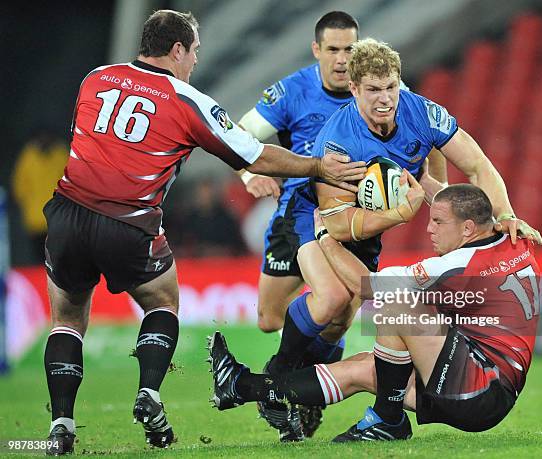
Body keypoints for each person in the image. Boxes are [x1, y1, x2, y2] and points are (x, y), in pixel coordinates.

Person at [41, 9, 366, 455]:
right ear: (177, 50)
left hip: (67, 212)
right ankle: (152, 393)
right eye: (194, 51)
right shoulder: (187, 99)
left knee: (67, 319)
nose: (194, 61)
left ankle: (61, 426)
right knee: (163, 300)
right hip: (128, 220)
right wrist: (314, 166)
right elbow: (252, 153)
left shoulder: (97, 76)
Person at [254, 37, 542, 441]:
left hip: (369, 222)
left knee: (342, 322)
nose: (385, 98)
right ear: (354, 90)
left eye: (390, 86)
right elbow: (337, 226)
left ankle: (310, 394)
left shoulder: (421, 111)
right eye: (373, 90)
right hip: (315, 214)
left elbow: (478, 165)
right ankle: (279, 375)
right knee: (331, 299)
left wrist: (505, 214)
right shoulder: (338, 141)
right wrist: (401, 213)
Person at [237, 13, 447, 440]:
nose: (340, 58)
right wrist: (249, 174)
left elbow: (429, 134)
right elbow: (241, 133)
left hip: (357, 218)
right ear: (317, 50)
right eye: (332, 49)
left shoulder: (386, 91)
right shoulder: (292, 91)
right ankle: (286, 381)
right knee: (267, 318)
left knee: (339, 308)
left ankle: (298, 396)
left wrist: (431, 180)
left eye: (348, 49)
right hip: (302, 207)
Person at [210, 183, 541, 442]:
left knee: (398, 302)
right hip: (483, 383)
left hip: (478, 386)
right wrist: (508, 218)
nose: (430, 230)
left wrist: (326, 239)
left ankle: (386, 418)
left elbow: (367, 287)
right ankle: (242, 385)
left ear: (469, 229)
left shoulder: (460, 264)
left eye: (438, 222)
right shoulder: (515, 240)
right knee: (363, 368)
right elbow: (492, 221)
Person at [11, 130, 67, 263]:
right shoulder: (28, 157)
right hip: (37, 220)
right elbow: (19, 187)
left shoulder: (61, 154)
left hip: (56, 220)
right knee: (40, 258)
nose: (44, 140)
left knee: (58, 258)